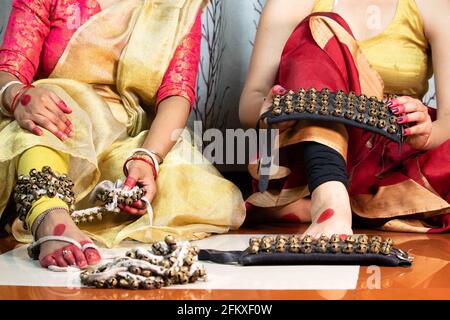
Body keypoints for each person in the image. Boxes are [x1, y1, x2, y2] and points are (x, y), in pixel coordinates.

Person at [0, 0, 245, 269]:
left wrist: (146, 158)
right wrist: (18, 95)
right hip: (59, 124)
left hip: (124, 135)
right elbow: (9, 68)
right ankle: (50, 217)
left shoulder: (177, 5)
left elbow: (176, 93)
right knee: (39, 124)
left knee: (185, 181)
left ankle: (103, 206)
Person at [240, 0, 449, 237]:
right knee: (320, 27)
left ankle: (335, 206)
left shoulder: (434, 5)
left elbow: (448, 120)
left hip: (389, 159)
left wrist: (427, 133)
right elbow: (250, 104)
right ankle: (330, 198)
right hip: (308, 155)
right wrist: (271, 112)